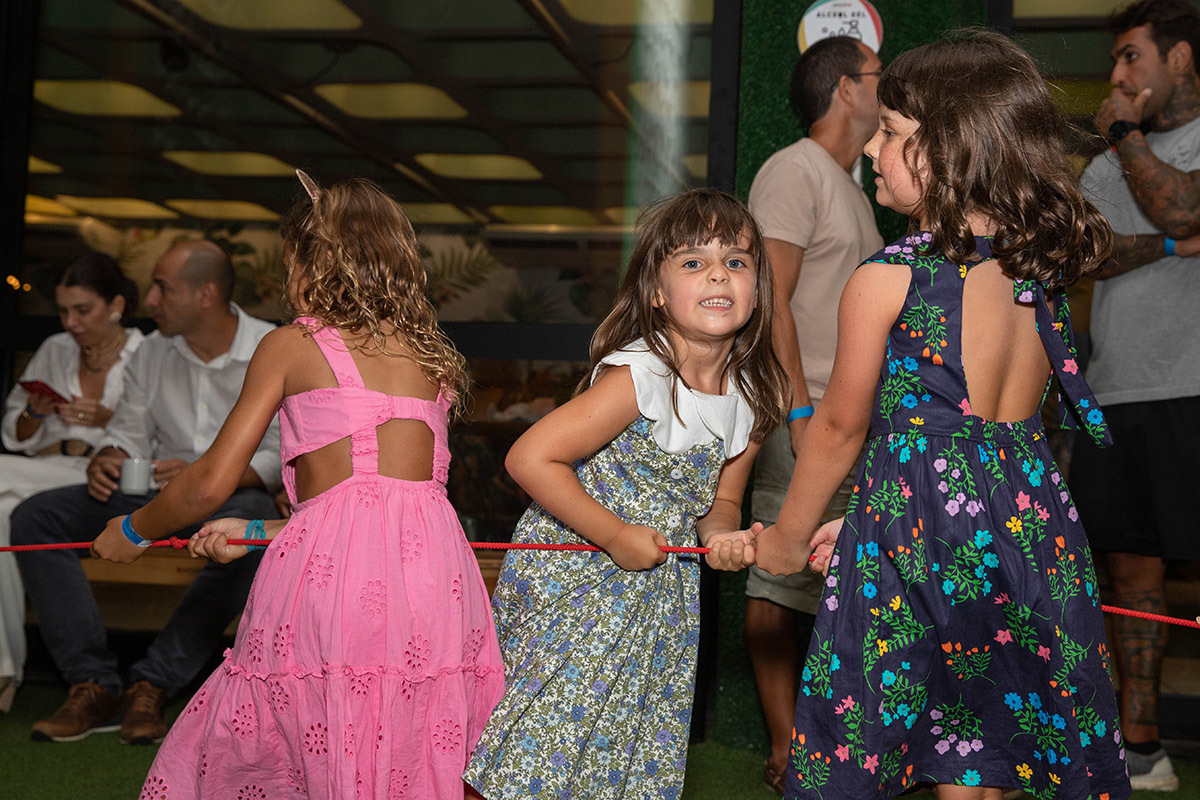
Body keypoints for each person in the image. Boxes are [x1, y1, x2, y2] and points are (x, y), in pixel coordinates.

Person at [756, 31, 1131, 800]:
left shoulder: (888, 279)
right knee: (980, 745)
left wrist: (786, 542)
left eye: (891, 135)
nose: (872, 151)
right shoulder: (1038, 272)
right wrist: (865, 519)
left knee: (885, 727)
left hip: (923, 538)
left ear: (948, 148)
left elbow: (840, 430)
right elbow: (975, 449)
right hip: (1029, 529)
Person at [92, 173, 506, 800]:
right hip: (433, 583)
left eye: (290, 263)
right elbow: (380, 507)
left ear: (313, 264)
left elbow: (208, 484)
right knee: (403, 731)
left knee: (310, 723)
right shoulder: (432, 360)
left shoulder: (290, 345)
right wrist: (259, 529)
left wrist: (133, 529)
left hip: (329, 590)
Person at [463, 188, 789, 799]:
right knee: (538, 742)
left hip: (659, 591)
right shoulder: (639, 374)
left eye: (737, 261)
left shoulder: (752, 399)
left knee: (620, 742)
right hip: (578, 575)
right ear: (658, 292)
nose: (718, 273)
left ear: (757, 286)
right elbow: (530, 457)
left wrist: (724, 539)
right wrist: (613, 534)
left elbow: (718, 505)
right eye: (694, 262)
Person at [11, 239, 281, 744]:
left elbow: (281, 452)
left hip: (234, 496)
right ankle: (91, 682)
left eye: (162, 287)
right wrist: (109, 456)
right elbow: (130, 432)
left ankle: (154, 682)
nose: (150, 300)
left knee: (251, 533)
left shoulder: (270, 349)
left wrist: (211, 476)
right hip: (155, 494)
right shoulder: (152, 352)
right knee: (33, 517)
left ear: (206, 294)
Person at [745, 35, 884, 794]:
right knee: (775, 571)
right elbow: (769, 299)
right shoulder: (793, 171)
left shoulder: (855, 187)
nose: (886, 86)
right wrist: (796, 407)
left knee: (835, 575)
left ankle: (832, 737)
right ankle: (783, 744)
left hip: (849, 415)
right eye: (878, 75)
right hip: (800, 412)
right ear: (844, 89)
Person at [1071, 0, 1200, 791]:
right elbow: (1085, 252)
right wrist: (1175, 245)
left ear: (1180, 58)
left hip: (1194, 384)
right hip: (1115, 389)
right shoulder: (1101, 165)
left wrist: (1125, 137)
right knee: (1128, 573)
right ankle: (1142, 747)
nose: (1117, 78)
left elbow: (1181, 199)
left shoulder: (1125, 146)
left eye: (1131, 58)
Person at [0, 253, 143, 712]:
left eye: (83, 310)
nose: (71, 322)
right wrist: (33, 412)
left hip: (91, 479)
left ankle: (5, 671)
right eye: (64, 311)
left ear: (116, 304)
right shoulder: (54, 349)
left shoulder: (146, 352)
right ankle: (4, 669)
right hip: (40, 467)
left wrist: (108, 422)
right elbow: (14, 433)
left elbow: (151, 434)